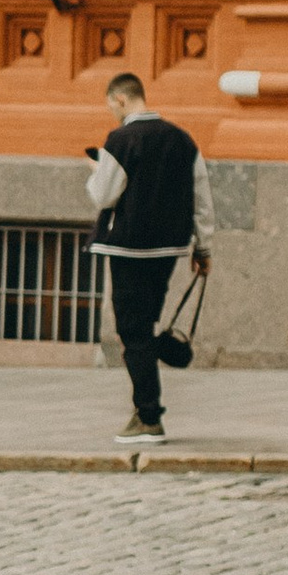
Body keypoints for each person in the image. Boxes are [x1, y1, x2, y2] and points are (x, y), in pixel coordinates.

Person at [85, 69, 213, 441]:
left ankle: (148, 417)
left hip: (127, 248)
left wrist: (96, 170)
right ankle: (146, 405)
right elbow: (202, 198)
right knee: (144, 325)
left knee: (132, 330)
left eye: (111, 105)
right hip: (169, 249)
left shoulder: (121, 139)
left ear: (120, 99)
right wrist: (203, 247)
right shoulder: (182, 139)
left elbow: (103, 195)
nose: (112, 112)